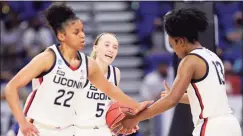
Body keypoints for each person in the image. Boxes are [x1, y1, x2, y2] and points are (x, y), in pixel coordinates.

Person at [4, 4, 151, 136]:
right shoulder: (48, 58)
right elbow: (11, 87)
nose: (82, 35)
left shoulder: (88, 65)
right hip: (38, 128)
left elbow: (110, 89)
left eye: (82, 31)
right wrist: (22, 123)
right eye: (76, 32)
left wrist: (136, 105)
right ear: (62, 36)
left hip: (66, 130)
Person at [115, 8, 242, 136]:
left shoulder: (190, 60)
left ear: (180, 41)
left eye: (172, 45)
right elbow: (207, 98)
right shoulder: (213, 57)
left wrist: (135, 119)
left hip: (211, 127)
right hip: (231, 124)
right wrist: (179, 96)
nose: (174, 51)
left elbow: (171, 101)